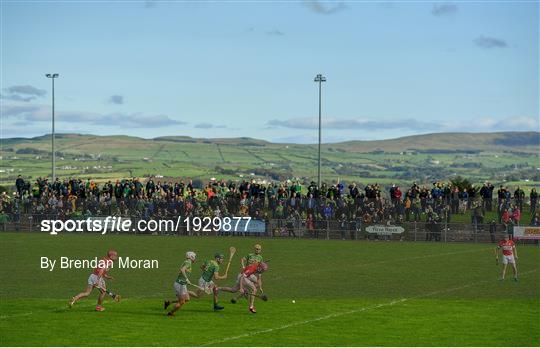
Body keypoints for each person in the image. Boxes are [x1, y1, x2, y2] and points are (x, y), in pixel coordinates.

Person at [164, 251, 197, 316]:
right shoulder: (188, 263)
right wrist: (187, 279)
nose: (195, 258)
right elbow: (182, 270)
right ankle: (171, 313)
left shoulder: (186, 262)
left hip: (182, 284)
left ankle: (169, 302)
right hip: (179, 285)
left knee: (187, 299)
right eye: (194, 257)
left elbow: (180, 271)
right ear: (191, 257)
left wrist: (185, 280)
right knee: (182, 302)